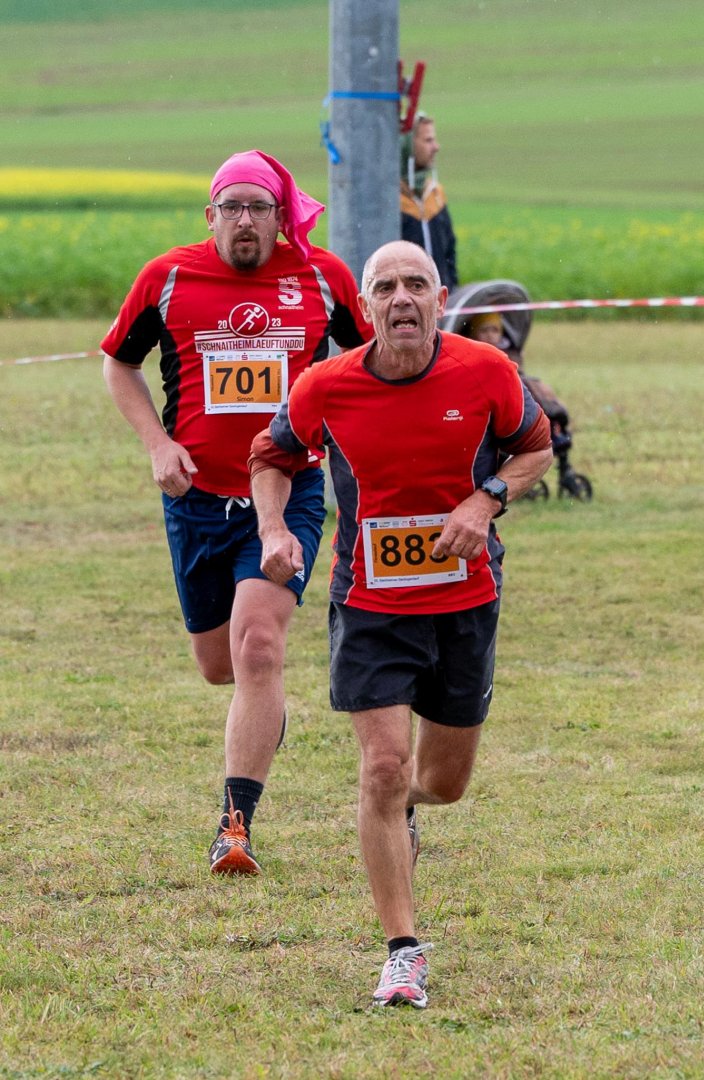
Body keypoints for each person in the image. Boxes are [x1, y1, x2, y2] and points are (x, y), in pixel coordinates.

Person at [248, 240, 553, 1008]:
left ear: (441, 299)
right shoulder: (326, 385)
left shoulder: (487, 372)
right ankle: (402, 951)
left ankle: (406, 809)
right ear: (366, 307)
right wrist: (274, 529)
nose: (402, 298)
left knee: (442, 783)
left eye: (417, 284)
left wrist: (485, 501)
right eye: (385, 287)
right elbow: (271, 457)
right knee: (383, 768)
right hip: (371, 605)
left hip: (464, 602)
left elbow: (536, 447)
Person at [101, 149, 371, 877]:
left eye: (259, 207)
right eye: (232, 207)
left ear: (281, 217)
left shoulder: (323, 277)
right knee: (220, 666)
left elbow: (371, 363)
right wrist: (157, 444)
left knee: (258, 647)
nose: (245, 220)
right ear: (210, 215)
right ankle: (265, 708)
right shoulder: (167, 278)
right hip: (194, 499)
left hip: (288, 490)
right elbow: (119, 363)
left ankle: (234, 826)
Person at [400, 113, 458, 291]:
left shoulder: (436, 193)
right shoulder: (385, 201)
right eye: (428, 140)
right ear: (407, 146)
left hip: (440, 300)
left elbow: (450, 254)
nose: (436, 147)